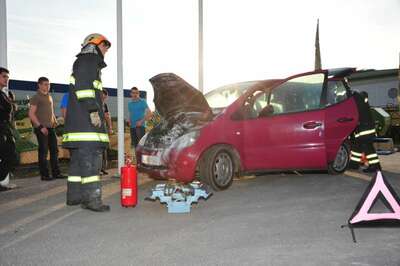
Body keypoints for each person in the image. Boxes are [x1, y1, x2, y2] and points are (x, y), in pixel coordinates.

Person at [62, 33, 111, 212]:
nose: (106, 49)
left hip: (77, 125)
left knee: (77, 162)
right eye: (105, 45)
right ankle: (92, 200)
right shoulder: (89, 60)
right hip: (86, 125)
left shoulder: (84, 62)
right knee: (91, 162)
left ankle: (74, 197)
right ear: (95, 45)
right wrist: (93, 110)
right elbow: (84, 88)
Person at [29, 77, 65, 181]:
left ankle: (56, 173)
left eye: (48, 84)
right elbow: (31, 114)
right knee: (43, 152)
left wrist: (54, 121)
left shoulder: (49, 96)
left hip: (51, 127)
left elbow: (51, 112)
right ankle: (44, 175)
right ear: (39, 85)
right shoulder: (36, 97)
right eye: (45, 84)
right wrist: (40, 127)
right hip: (41, 128)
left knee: (55, 150)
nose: (47, 86)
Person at [348, 91, 381, 173]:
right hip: (363, 127)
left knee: (367, 146)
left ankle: (375, 166)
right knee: (356, 145)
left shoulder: (356, 99)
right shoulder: (360, 99)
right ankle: (354, 164)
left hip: (364, 128)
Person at [0, 67, 18, 191]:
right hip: (1, 127)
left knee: (11, 155)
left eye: (7, 77)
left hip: (5, 127)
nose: (7, 79)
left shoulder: (3, 94)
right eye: (4, 76)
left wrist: (12, 104)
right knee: (7, 154)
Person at [100, 88, 112, 175]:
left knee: (104, 148)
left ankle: (103, 168)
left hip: (103, 128)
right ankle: (97, 168)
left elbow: (108, 116)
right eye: (102, 97)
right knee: (97, 148)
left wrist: (110, 127)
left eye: (105, 98)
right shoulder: (95, 103)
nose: (103, 99)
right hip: (95, 129)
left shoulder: (105, 105)